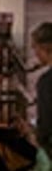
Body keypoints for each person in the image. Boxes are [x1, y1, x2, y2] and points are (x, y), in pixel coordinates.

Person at [31, 23, 52, 155]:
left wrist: (34, 135)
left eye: (36, 48)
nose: (36, 53)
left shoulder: (47, 81)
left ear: (46, 47)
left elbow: (46, 124)